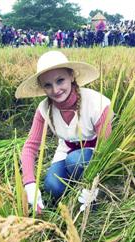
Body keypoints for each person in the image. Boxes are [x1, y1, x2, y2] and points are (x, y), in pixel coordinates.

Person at [15, 51, 113, 214]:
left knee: (75, 162)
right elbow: (30, 146)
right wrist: (30, 184)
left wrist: (96, 182)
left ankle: (95, 193)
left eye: (60, 80)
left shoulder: (97, 103)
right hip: (66, 150)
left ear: (72, 76)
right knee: (52, 186)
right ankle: (77, 189)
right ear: (42, 87)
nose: (55, 90)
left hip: (97, 152)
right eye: (47, 85)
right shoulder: (44, 109)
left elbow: (107, 148)